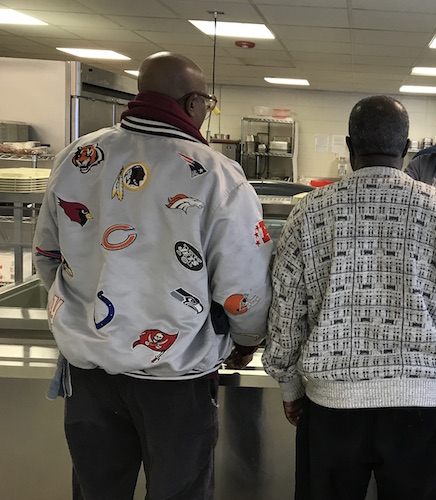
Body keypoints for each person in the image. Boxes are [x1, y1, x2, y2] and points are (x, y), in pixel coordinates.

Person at [32, 52, 272, 499]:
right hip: (175, 381)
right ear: (193, 102)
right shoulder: (218, 176)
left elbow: (46, 255)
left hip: (90, 376)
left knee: (97, 491)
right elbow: (244, 288)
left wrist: (82, 310)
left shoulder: (78, 156)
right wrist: (245, 340)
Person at [262, 95, 436, 499]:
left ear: (350, 148)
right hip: (421, 405)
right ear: (405, 151)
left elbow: (286, 307)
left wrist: (289, 385)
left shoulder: (309, 211)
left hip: (331, 405)